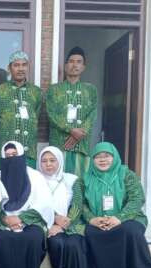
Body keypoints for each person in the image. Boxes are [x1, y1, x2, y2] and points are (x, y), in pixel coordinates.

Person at [82, 142, 151, 268]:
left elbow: (137, 198)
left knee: (130, 230)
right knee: (91, 233)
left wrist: (119, 218)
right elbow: (81, 204)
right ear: (92, 159)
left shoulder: (126, 174)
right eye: (98, 157)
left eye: (107, 156)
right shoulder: (86, 178)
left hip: (128, 217)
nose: (103, 160)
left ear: (114, 157)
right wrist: (92, 219)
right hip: (99, 220)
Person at [0, 141, 54, 268]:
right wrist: (5, 219)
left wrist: (21, 218)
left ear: (21, 156)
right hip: (4, 221)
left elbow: (44, 204)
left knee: (32, 238)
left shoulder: (35, 176)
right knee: (3, 239)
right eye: (7, 156)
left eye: (14, 155)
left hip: (30, 221)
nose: (11, 159)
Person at [38, 146, 95, 268]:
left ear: (60, 161)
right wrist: (53, 219)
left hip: (71, 224)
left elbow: (77, 204)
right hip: (46, 224)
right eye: (44, 161)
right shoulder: (35, 180)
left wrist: (64, 224)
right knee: (57, 244)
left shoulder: (71, 180)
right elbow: (34, 206)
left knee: (76, 244)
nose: (48, 164)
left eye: (52, 160)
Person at [46, 46, 98, 177]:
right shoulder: (54, 89)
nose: (74, 65)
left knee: (79, 181)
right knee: (57, 180)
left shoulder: (90, 90)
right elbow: (51, 114)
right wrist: (71, 130)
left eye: (79, 62)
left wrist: (81, 132)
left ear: (83, 67)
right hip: (59, 143)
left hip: (82, 145)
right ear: (65, 66)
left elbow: (93, 113)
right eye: (71, 61)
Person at [0, 51, 42, 169]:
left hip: (28, 150)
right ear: (9, 68)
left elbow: (35, 115)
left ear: (28, 67)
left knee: (28, 180)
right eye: (16, 65)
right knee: (5, 180)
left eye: (24, 65)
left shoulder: (36, 92)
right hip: (5, 150)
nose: (20, 69)